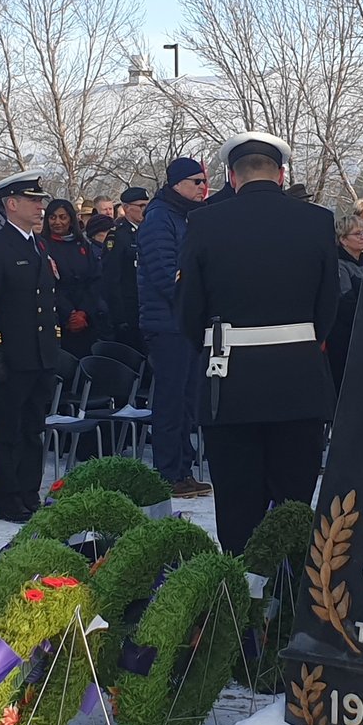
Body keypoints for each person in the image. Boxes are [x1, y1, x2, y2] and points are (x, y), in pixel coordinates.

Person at [177, 135, 338, 555]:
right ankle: (289, 602)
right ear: (281, 174)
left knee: (237, 505)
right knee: (293, 505)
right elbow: (328, 306)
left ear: (232, 177)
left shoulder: (204, 223)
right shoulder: (317, 221)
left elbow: (188, 310)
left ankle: (241, 603)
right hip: (298, 380)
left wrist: (218, 343)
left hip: (230, 384)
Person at [0, 171, 64, 520]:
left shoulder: (37, 244)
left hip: (40, 353)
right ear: (11, 204)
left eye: (41, 201)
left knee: (34, 429)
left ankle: (30, 492)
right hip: (14, 354)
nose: (40, 208)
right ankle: (9, 498)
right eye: (33, 201)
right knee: (9, 430)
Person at [137, 156, 211, 496]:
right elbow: (166, 274)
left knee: (185, 402)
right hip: (168, 325)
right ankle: (168, 473)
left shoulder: (185, 216)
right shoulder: (159, 218)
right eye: (196, 181)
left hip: (185, 323)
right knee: (170, 401)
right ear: (177, 183)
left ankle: (183, 468)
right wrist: (197, 300)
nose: (202, 187)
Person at [42, 197, 103, 360]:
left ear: (71, 219)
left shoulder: (83, 245)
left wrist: (83, 312)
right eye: (52, 217)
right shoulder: (42, 246)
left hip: (86, 316)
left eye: (63, 217)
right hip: (60, 317)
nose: (57, 222)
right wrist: (69, 313)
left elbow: (94, 279)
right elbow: (50, 284)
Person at [98, 186, 148, 353]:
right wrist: (119, 317)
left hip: (147, 307)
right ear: (126, 208)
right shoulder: (118, 236)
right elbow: (111, 278)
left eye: (147, 205)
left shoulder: (150, 231)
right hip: (129, 309)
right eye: (140, 206)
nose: (145, 210)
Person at [329, 207, 363, 389]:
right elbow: (345, 302)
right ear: (343, 239)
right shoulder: (340, 266)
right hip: (346, 335)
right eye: (357, 234)